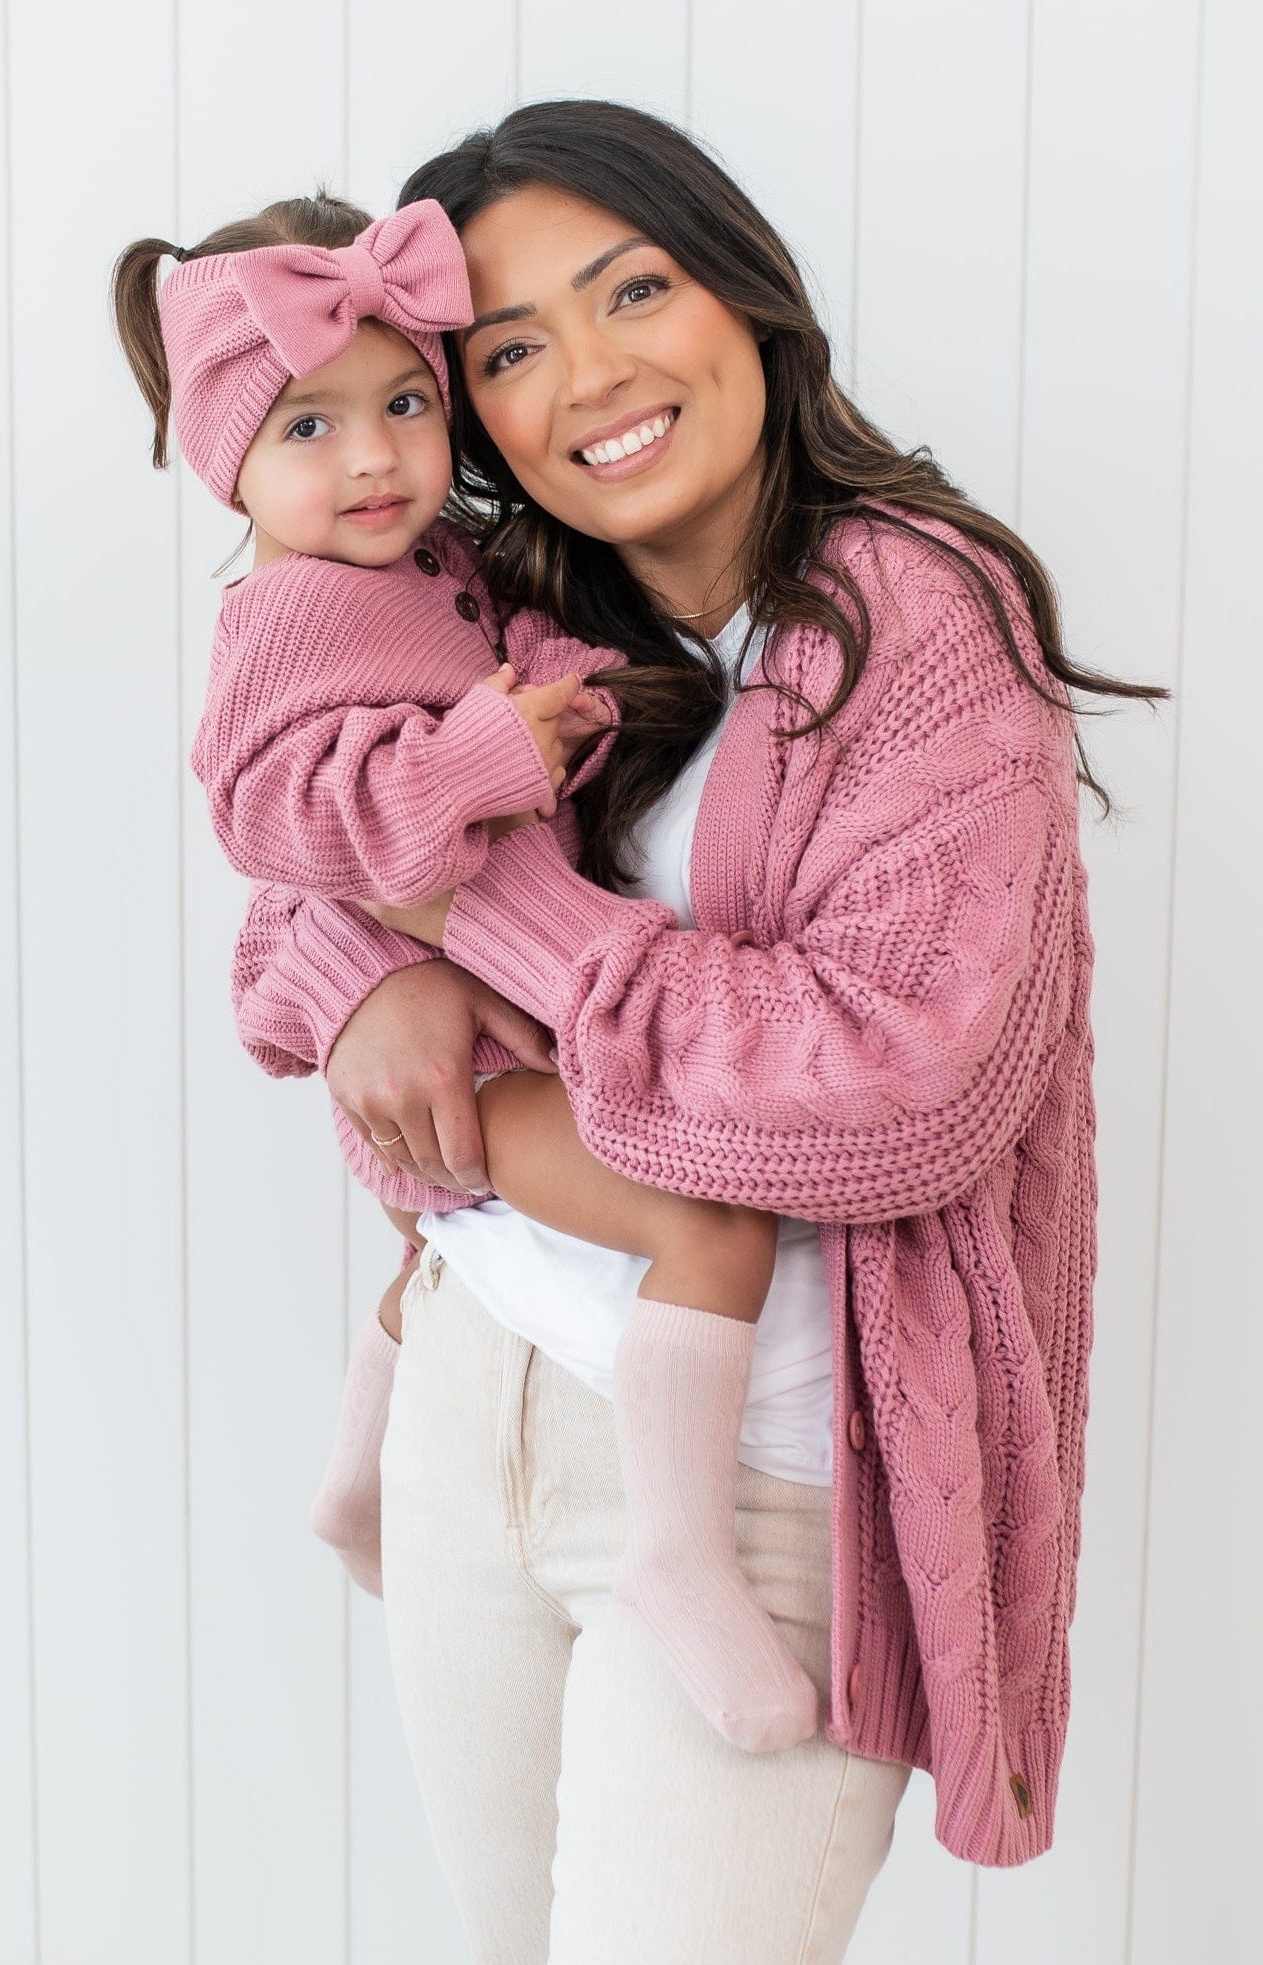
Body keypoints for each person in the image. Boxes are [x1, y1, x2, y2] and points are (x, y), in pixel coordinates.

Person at [223, 99, 1163, 1965]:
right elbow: (287, 868)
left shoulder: (919, 614)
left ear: (742, 291)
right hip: (472, 1381)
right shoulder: (507, 608)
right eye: (506, 350)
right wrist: (362, 981)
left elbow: (888, 1095)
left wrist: (473, 927)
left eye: (631, 288)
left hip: (760, 1487)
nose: (588, 378)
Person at [111, 192, 841, 1756]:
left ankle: (355, 1479)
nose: (370, 457)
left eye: (403, 405)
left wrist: (568, 687)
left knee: (426, 1248)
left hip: (477, 1032)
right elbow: (274, 811)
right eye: (309, 426)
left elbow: (507, 649)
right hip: (474, 1055)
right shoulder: (288, 617)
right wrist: (473, 762)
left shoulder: (434, 556)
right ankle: (678, 1550)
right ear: (225, 462)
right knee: (706, 1219)